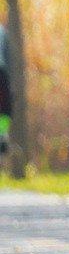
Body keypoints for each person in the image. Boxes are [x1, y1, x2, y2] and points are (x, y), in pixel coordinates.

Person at [0, 23, 11, 156]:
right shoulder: (3, 31)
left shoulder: (3, 32)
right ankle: (2, 134)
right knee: (5, 107)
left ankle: (2, 134)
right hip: (2, 72)